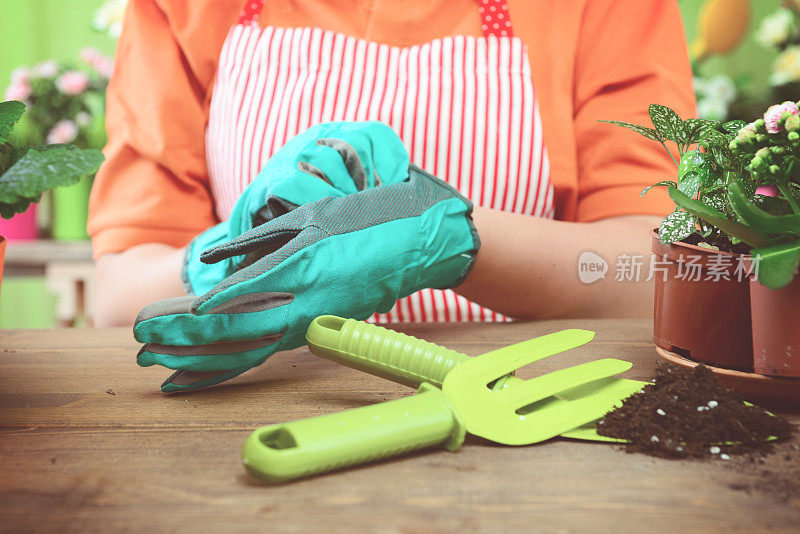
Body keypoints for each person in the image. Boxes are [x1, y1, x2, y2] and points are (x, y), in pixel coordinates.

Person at [88, 0, 695, 389]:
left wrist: (451, 238)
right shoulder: (180, 7)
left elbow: (656, 275)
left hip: (515, 404)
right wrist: (227, 251)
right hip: (254, 404)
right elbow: (118, 301)